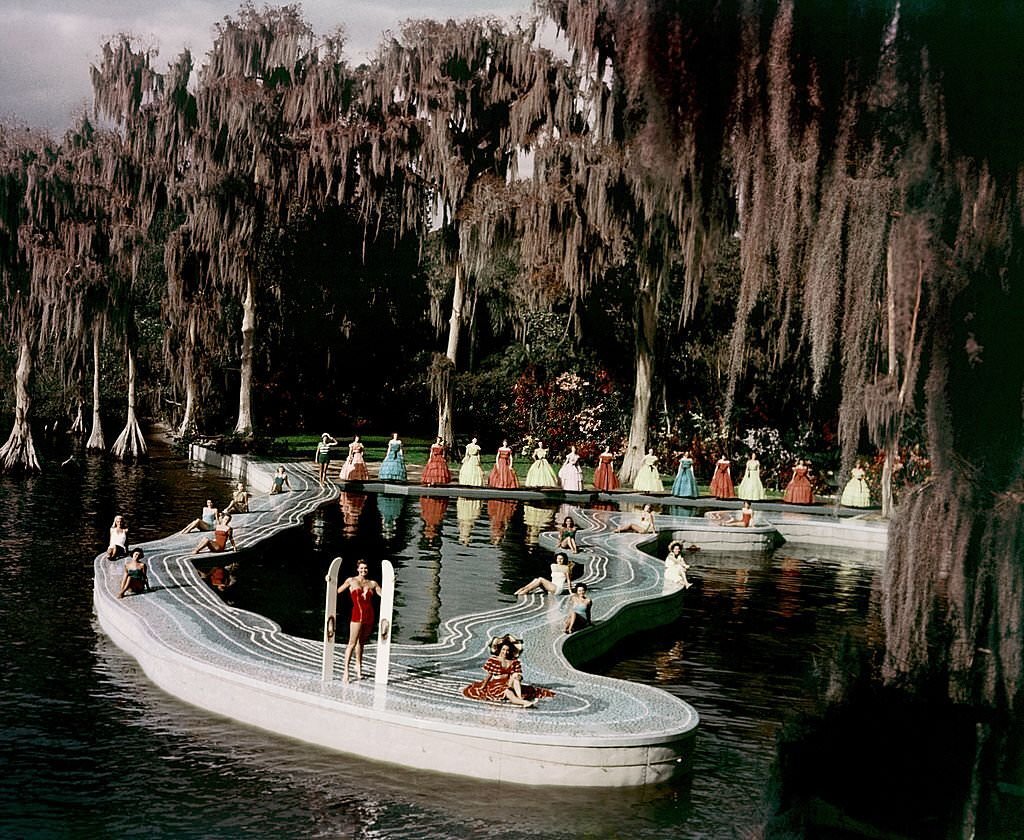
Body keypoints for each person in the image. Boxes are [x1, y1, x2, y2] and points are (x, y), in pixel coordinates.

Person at [462, 635, 554, 707]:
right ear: (500, 649)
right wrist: (483, 685)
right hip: (496, 685)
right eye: (503, 649)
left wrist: (518, 677)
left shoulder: (513, 662)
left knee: (515, 676)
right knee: (508, 692)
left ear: (510, 651)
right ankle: (523, 702)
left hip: (509, 682)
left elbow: (517, 674)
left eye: (507, 650)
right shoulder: (494, 660)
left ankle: (519, 696)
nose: (505, 652)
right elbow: (489, 675)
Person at [337, 561, 383, 682]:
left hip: (369, 616)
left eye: (366, 568)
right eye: (361, 568)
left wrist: (391, 584)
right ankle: (346, 671)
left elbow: (383, 594)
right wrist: (329, 580)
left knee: (361, 643)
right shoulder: (351, 580)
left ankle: (358, 666)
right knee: (351, 643)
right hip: (357, 615)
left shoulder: (372, 583)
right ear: (357, 569)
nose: (364, 570)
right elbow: (337, 591)